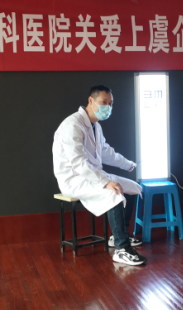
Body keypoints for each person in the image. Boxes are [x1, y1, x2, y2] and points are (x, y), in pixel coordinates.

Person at [53, 85, 146, 266]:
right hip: (74, 179)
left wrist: (128, 164)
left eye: (111, 103)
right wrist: (105, 182)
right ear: (91, 101)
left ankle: (117, 236)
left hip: (93, 175)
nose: (108, 107)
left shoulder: (96, 126)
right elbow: (78, 163)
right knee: (114, 192)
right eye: (104, 102)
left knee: (133, 188)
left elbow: (105, 152)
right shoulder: (72, 125)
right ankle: (122, 249)